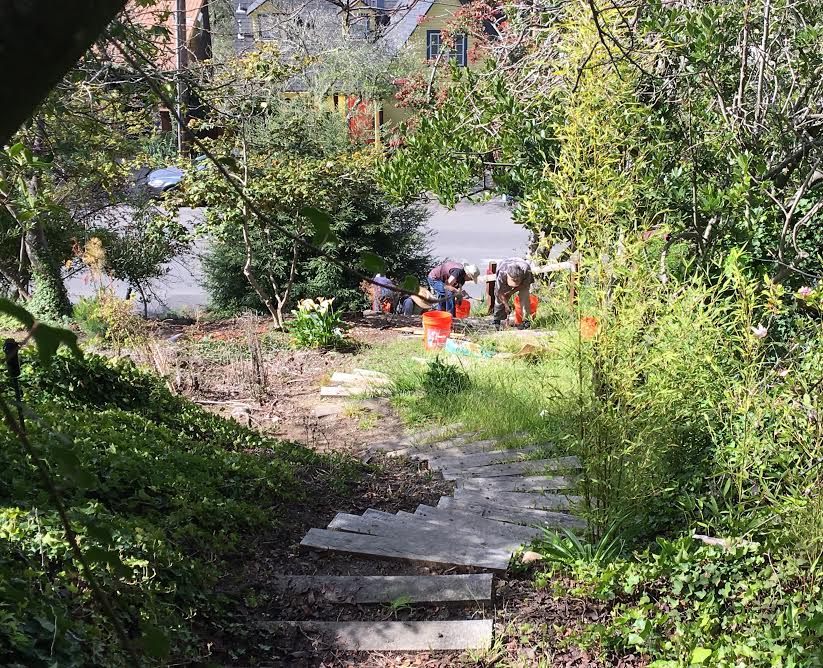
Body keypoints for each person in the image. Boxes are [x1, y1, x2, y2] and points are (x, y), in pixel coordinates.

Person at [493, 257, 534, 329]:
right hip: (504, 268)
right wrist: (506, 305)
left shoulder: (526, 270)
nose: (515, 283)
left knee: (525, 296)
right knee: (499, 300)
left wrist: (511, 292)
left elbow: (525, 285)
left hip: (523, 275)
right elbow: (499, 292)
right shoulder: (502, 273)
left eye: (517, 281)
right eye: (513, 281)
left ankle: (526, 320)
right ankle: (498, 319)